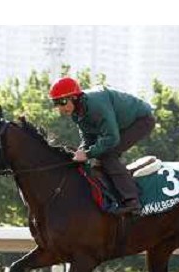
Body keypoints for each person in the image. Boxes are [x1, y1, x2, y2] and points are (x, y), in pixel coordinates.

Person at [49, 77, 155, 216]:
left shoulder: (95, 105)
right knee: (97, 156)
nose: (61, 108)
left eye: (62, 102)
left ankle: (133, 201)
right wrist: (81, 152)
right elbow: (88, 138)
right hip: (119, 125)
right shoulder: (77, 112)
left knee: (107, 155)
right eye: (56, 103)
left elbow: (112, 138)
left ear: (74, 97)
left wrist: (87, 154)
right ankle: (113, 194)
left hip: (141, 120)